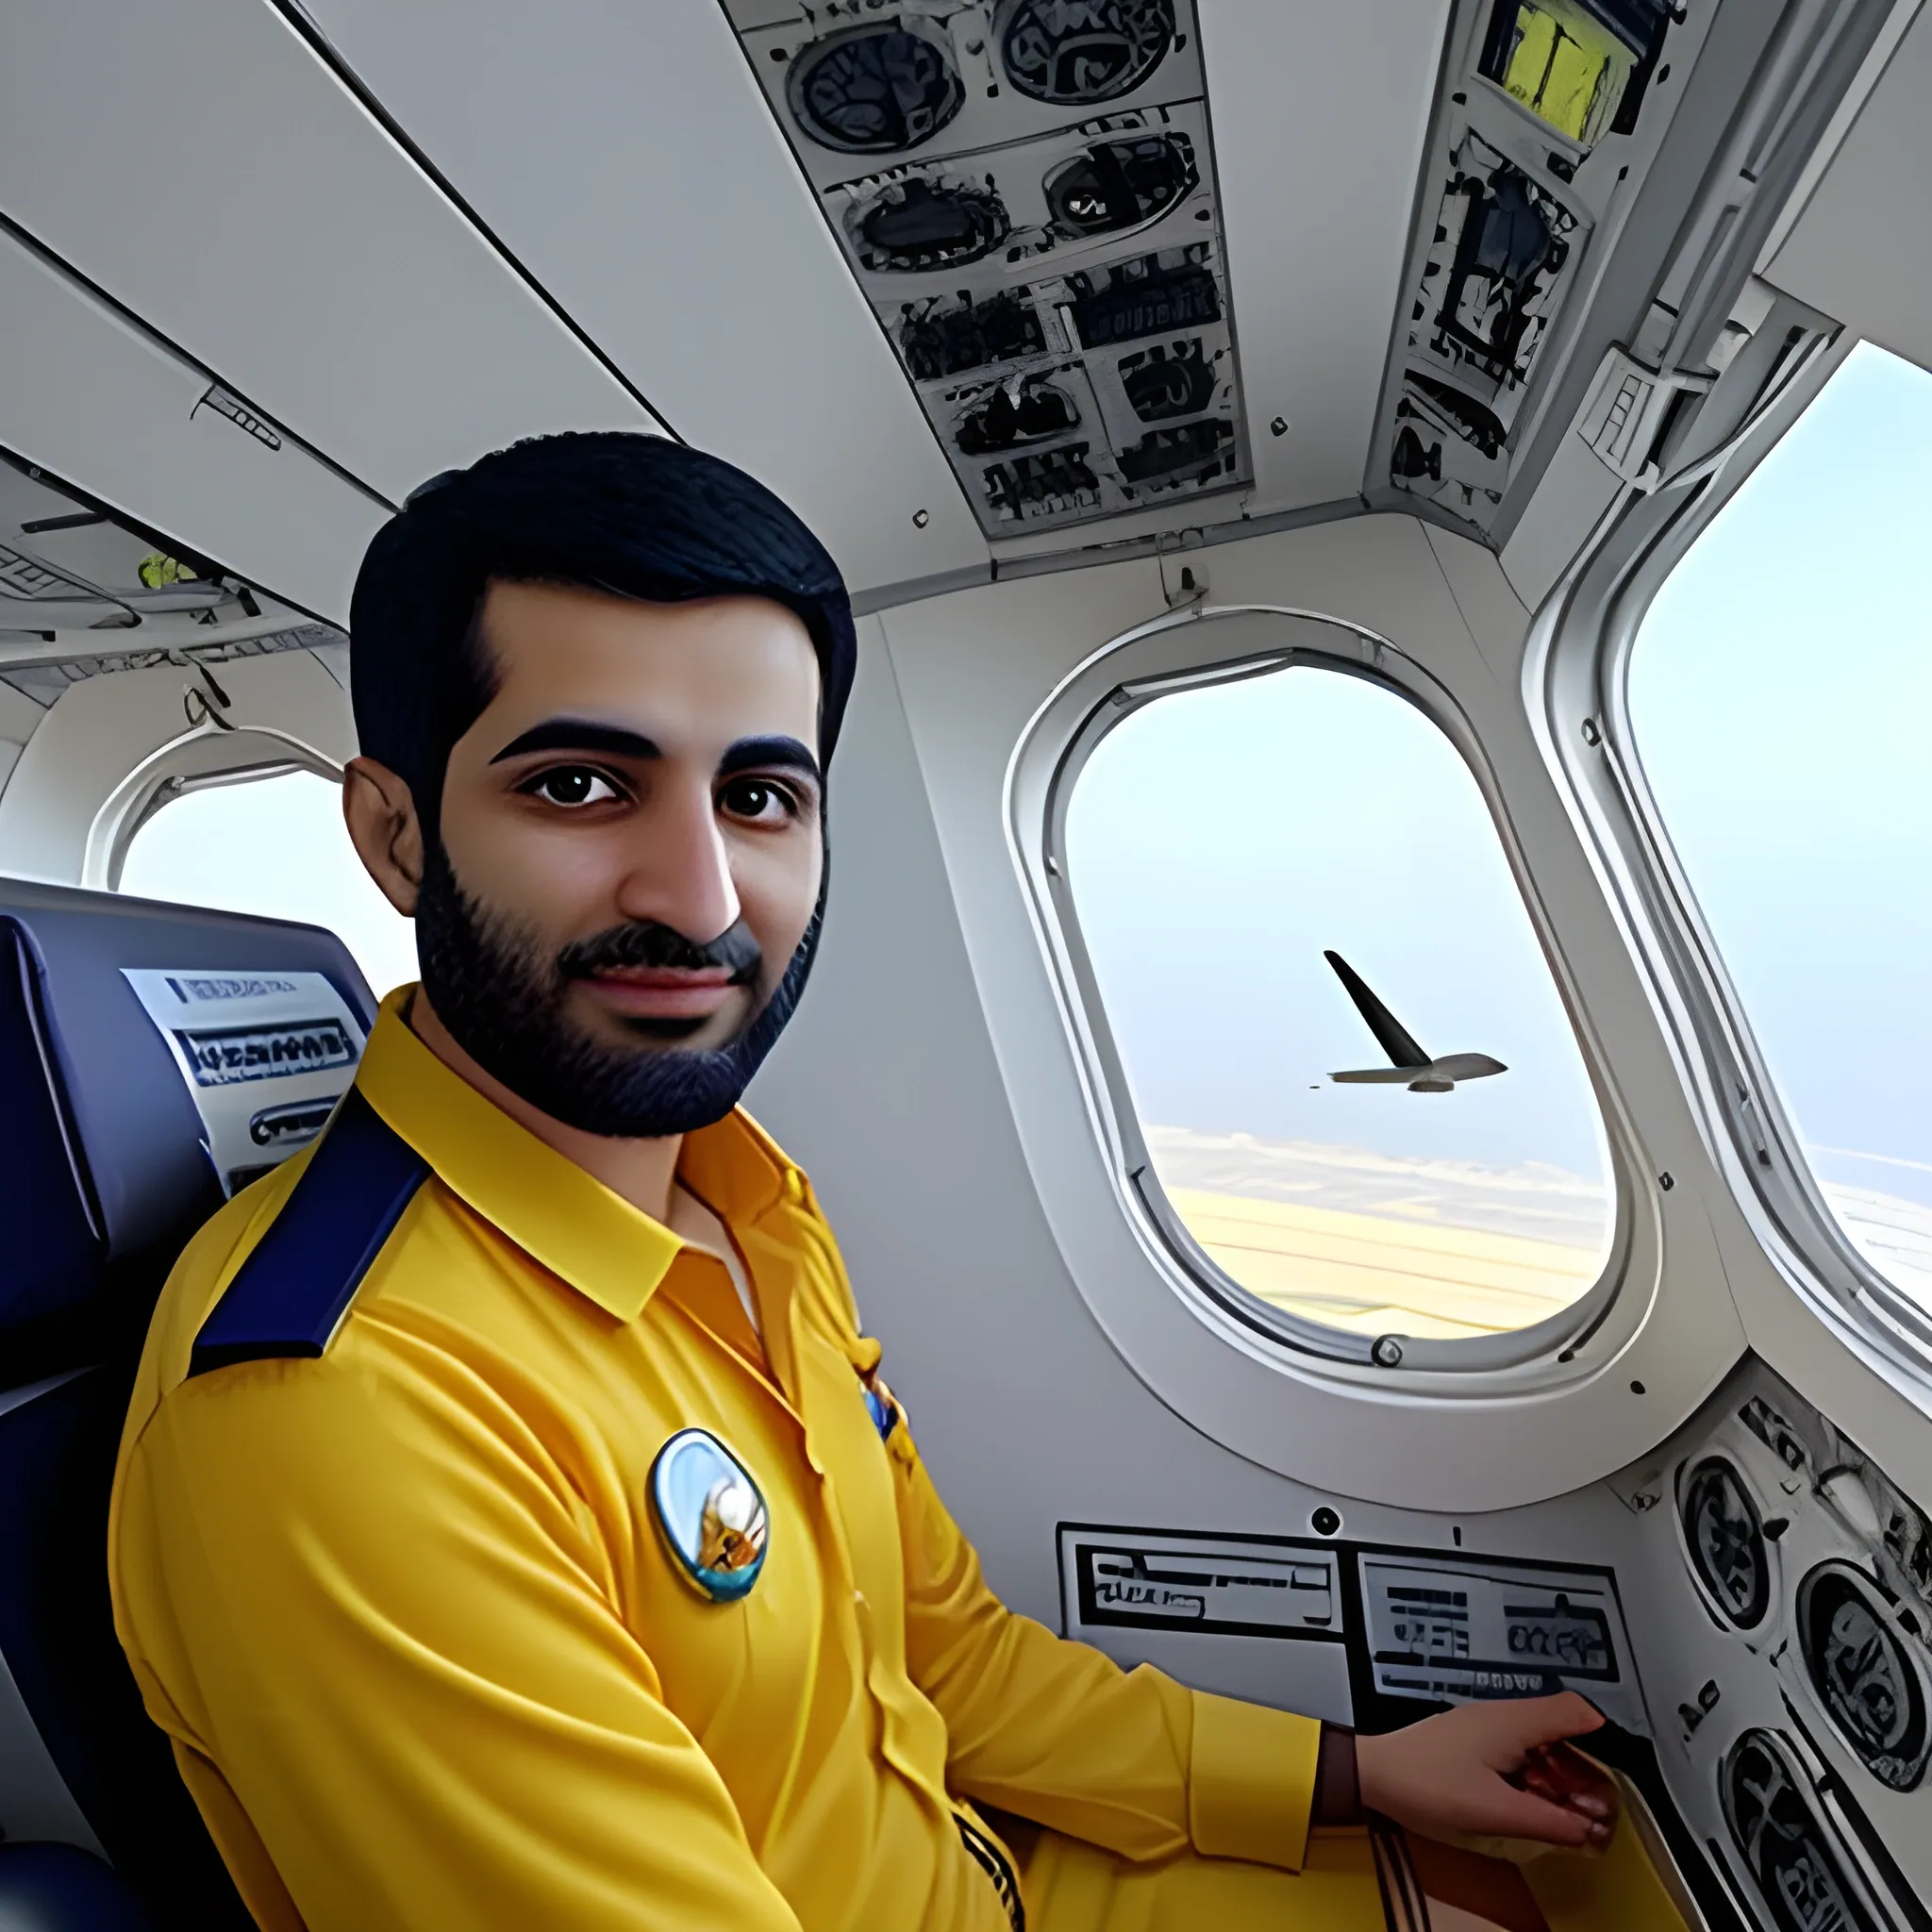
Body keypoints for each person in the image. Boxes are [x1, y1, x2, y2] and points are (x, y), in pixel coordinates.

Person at [110, 433, 1618, 1929]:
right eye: (580, 785)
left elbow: (947, 1662)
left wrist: (1354, 1775)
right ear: (396, 834)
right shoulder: (347, 1414)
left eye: (761, 797)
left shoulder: (747, 1208)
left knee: (1550, 1891)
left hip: (1001, 1878)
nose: (700, 898)